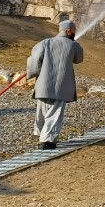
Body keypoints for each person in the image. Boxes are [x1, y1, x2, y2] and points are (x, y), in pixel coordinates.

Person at [25, 18, 85, 150]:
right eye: (74, 31)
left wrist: (31, 73)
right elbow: (79, 59)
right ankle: (47, 141)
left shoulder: (46, 42)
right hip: (61, 86)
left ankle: (40, 134)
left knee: (42, 111)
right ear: (68, 31)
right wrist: (74, 45)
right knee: (54, 113)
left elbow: (35, 59)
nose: (74, 33)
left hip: (43, 85)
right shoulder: (73, 45)